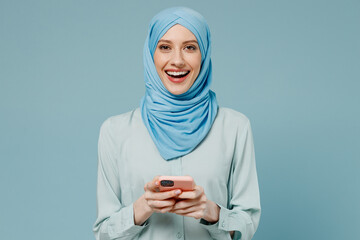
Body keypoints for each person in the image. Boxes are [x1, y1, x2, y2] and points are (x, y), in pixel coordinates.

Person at [93, 7, 261, 240]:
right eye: (165, 47)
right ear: (151, 54)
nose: (177, 60)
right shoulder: (115, 132)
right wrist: (143, 207)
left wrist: (211, 212)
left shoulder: (235, 128)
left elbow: (247, 224)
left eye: (190, 47)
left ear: (204, 53)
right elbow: (103, 232)